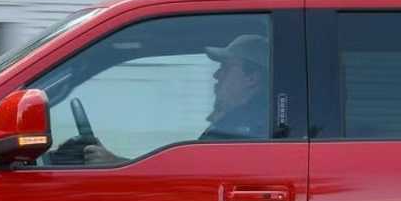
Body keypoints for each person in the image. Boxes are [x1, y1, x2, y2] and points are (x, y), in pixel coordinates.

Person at [82, 33, 270, 165]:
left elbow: (189, 177)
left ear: (252, 77)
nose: (217, 75)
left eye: (226, 67)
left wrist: (115, 163)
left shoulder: (244, 130)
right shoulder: (241, 124)